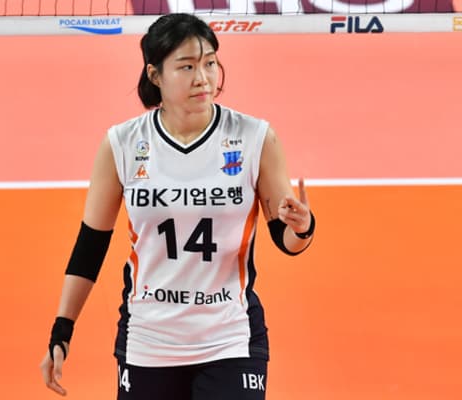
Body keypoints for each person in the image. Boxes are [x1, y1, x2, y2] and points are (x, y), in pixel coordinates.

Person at [39, 12, 315, 400]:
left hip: (229, 337)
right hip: (149, 339)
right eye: (186, 67)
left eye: (210, 63)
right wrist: (62, 328)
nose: (203, 78)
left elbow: (287, 240)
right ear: (155, 75)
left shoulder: (255, 138)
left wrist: (302, 227)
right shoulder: (123, 143)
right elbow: (90, 245)